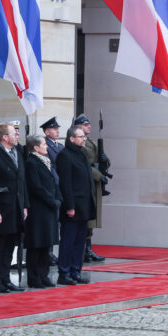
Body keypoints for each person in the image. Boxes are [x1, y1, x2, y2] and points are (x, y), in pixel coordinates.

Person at [0, 123, 28, 293]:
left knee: (10, 245)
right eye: (13, 134)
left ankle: (6, 278)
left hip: (16, 208)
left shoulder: (17, 154)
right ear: (4, 137)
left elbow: (22, 183)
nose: (17, 136)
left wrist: (25, 206)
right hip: (2, 209)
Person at [56, 126, 96, 285]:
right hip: (73, 206)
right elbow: (65, 184)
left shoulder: (81, 154)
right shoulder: (64, 156)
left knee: (80, 241)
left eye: (83, 136)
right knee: (68, 240)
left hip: (84, 205)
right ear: (71, 138)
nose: (84, 139)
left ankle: (75, 270)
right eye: (80, 136)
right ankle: (64, 272)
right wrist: (70, 206)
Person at [24, 135, 61, 288]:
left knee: (46, 244)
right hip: (38, 210)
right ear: (35, 147)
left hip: (49, 209)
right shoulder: (31, 162)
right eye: (44, 144)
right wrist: (52, 201)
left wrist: (58, 198)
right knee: (36, 244)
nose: (46, 146)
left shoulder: (46, 161)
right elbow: (36, 186)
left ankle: (44, 275)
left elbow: (54, 182)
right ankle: (34, 278)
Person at [73, 114, 107, 263]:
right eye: (86, 124)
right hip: (89, 181)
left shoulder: (90, 142)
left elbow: (99, 159)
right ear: (79, 126)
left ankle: (88, 249)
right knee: (87, 220)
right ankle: (85, 250)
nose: (89, 126)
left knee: (92, 219)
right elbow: (85, 164)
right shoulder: (80, 144)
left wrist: (105, 159)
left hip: (94, 182)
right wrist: (99, 175)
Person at [40, 116, 63, 265]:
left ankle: (51, 252)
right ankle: (47, 253)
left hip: (60, 186)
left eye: (57, 128)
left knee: (58, 222)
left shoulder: (60, 146)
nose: (57, 131)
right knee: (51, 222)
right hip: (54, 185)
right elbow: (50, 167)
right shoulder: (45, 146)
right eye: (54, 129)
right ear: (47, 132)